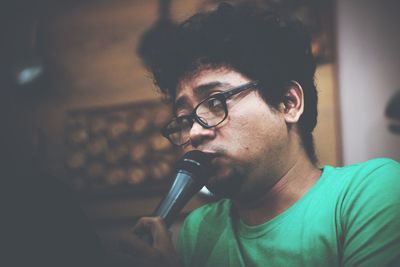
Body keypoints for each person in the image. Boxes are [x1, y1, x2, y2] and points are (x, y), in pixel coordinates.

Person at [122, 2, 400, 267]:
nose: (194, 132)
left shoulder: (369, 192)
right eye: (184, 119)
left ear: (288, 103)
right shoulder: (198, 228)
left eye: (216, 102)